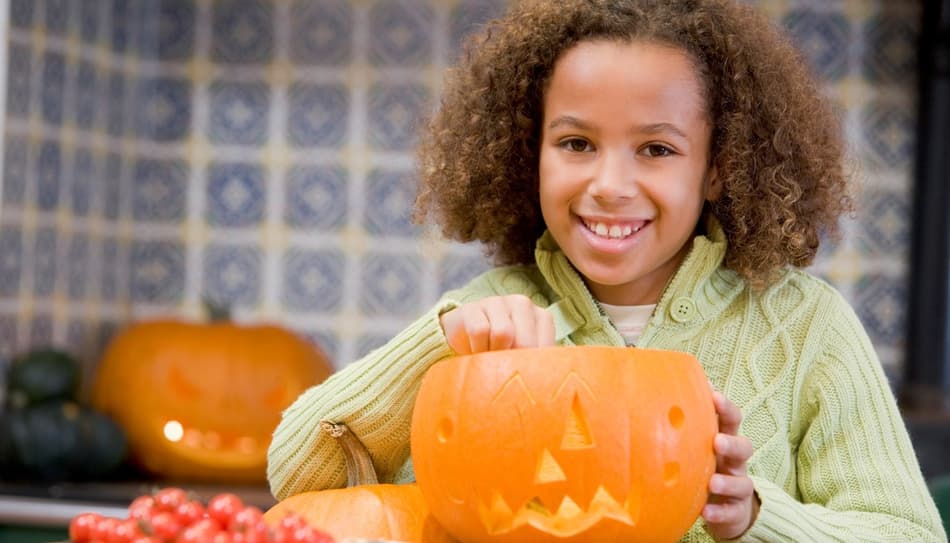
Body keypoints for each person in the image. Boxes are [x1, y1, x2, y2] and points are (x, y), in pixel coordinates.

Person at [267, 0, 946, 540]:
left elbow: (907, 532)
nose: (609, 184)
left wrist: (758, 517)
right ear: (529, 152)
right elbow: (298, 477)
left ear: (718, 168)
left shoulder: (806, 327)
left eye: (655, 148)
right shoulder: (487, 315)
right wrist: (436, 340)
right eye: (576, 143)